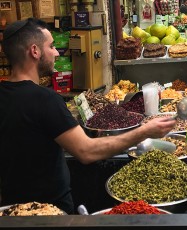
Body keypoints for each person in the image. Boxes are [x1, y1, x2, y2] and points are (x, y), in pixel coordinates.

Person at [0, 18, 176, 214]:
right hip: (50, 212)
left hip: (11, 210)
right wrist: (144, 131)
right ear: (35, 51)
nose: (56, 52)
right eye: (51, 46)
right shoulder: (45, 99)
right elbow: (86, 152)